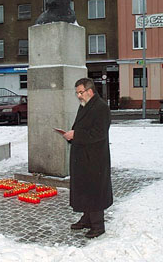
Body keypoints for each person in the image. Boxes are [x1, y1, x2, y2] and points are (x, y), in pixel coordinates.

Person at [63, 78, 113, 239]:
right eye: (77, 92)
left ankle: (98, 225)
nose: (78, 96)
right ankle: (87, 219)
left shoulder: (101, 107)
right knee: (84, 188)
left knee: (94, 190)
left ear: (90, 91)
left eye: (80, 92)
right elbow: (80, 127)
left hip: (95, 158)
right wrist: (71, 135)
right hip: (83, 156)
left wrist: (76, 135)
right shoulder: (85, 105)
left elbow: (99, 133)